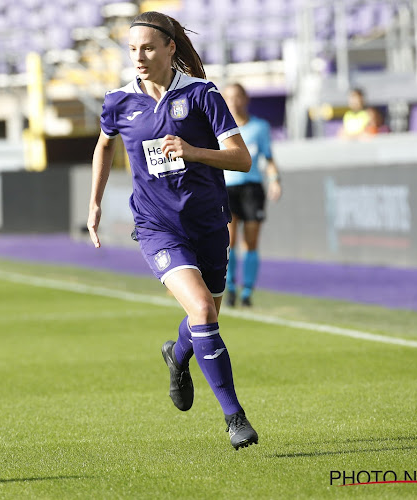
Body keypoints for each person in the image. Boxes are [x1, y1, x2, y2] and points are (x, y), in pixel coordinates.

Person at [86, 11, 258, 450]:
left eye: (147, 48)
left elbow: (242, 160)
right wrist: (95, 201)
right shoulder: (118, 102)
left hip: (208, 222)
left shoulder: (202, 95)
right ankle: (235, 418)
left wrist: (194, 151)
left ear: (169, 49)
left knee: (208, 317)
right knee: (202, 310)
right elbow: (104, 146)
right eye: (131, 50)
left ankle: (178, 354)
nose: (138, 58)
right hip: (158, 227)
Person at [221, 83, 281, 308]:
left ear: (245, 99)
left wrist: (275, 180)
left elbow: (268, 157)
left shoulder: (260, 127)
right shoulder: (219, 128)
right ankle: (230, 288)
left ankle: (247, 291)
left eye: (237, 97)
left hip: (252, 189)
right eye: (228, 97)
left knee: (251, 242)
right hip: (227, 188)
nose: (233, 102)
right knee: (229, 241)